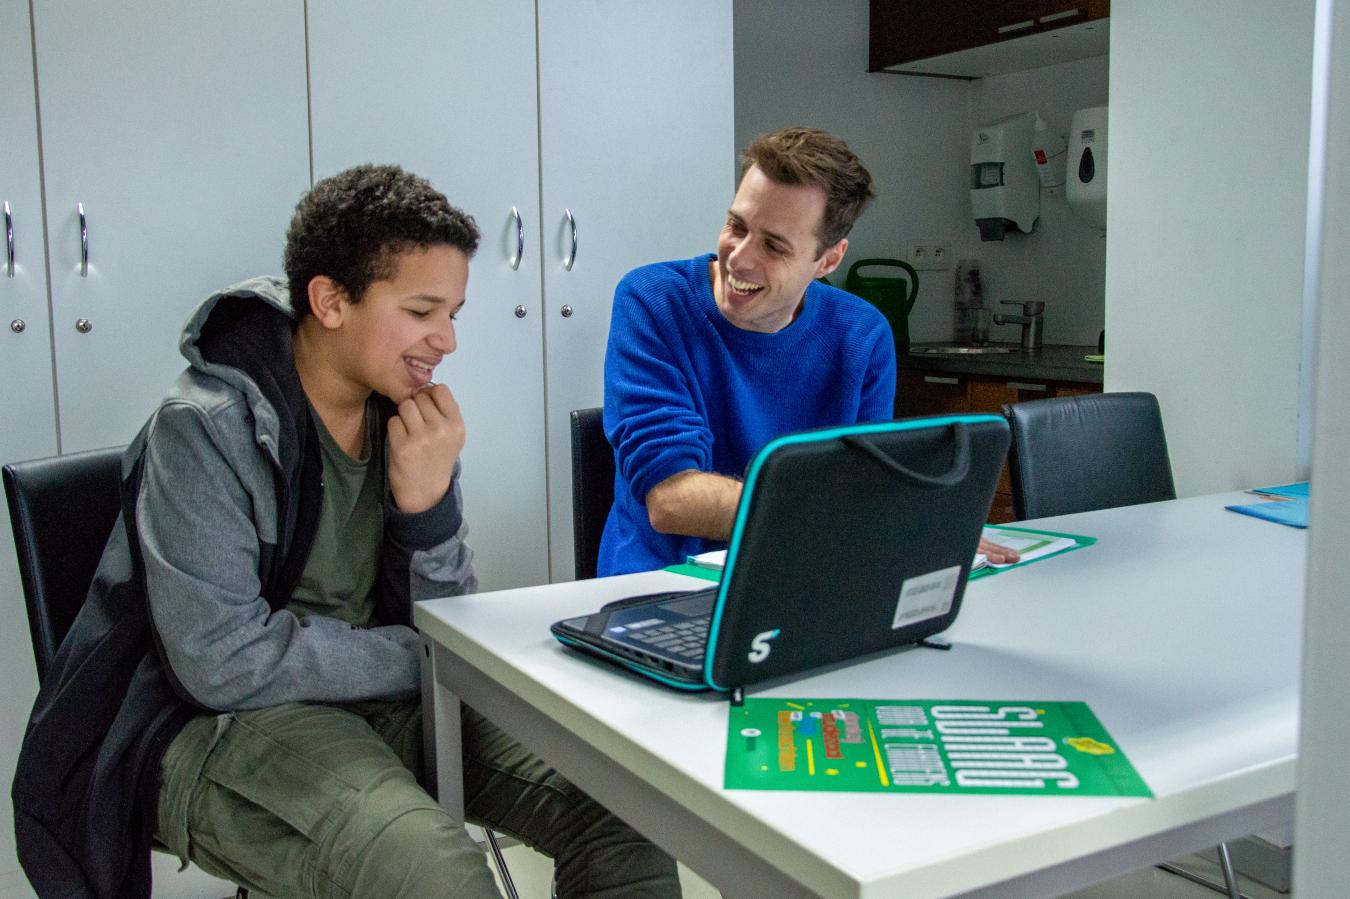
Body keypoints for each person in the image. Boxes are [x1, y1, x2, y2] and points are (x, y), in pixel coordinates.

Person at [11, 165, 680, 899]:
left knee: (624, 804)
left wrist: (429, 505)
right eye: (424, 309)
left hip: (382, 706)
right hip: (216, 725)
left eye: (454, 312)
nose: (448, 339)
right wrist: (413, 655)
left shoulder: (405, 413)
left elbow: (447, 619)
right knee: (428, 869)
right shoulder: (202, 429)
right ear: (331, 300)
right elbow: (221, 663)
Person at [598, 127, 1018, 575]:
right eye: (736, 226)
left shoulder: (862, 334)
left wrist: (918, 516)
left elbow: (865, 484)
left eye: (774, 245)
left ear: (829, 260)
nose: (738, 258)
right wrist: (875, 515)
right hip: (660, 587)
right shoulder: (653, 301)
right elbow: (673, 501)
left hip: (801, 576)